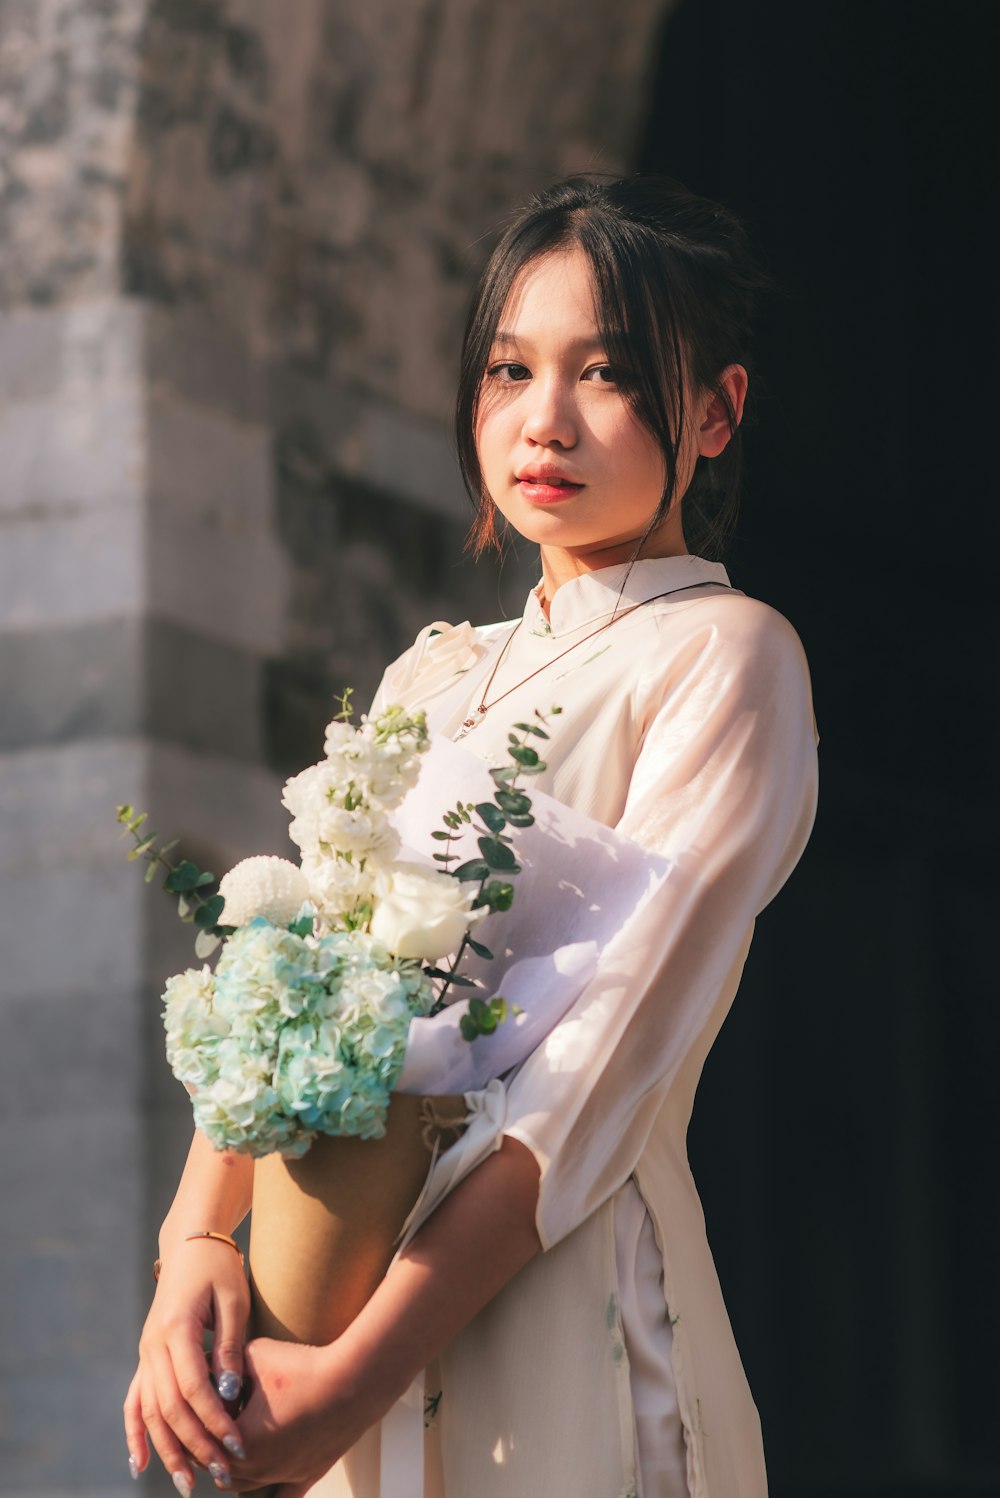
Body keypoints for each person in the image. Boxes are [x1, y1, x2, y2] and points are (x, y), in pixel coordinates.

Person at [124, 174, 818, 1498]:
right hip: (341, 1303)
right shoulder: (431, 671)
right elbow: (294, 997)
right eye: (510, 367)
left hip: (566, 1307)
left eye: (607, 375)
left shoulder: (726, 659)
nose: (542, 420)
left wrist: (353, 1376)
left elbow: (594, 1078)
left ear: (718, 409)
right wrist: (196, 1248)